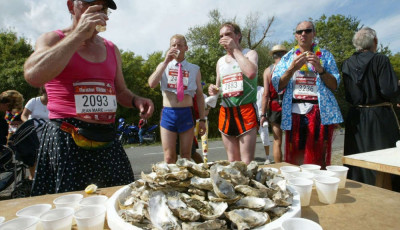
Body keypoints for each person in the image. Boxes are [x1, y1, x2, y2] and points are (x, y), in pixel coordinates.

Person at [23, 0, 154, 195]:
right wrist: (77, 35)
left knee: (120, 200)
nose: (98, 10)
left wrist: (136, 101)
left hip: (107, 139)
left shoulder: (111, 48)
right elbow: (33, 75)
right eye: (89, 3)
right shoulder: (52, 39)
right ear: (71, 6)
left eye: (103, 7)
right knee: (70, 208)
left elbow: (121, 92)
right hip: (67, 138)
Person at [272, 21, 343, 168]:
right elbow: (277, 84)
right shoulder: (287, 58)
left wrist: (320, 69)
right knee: (296, 157)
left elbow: (335, 85)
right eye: (299, 31)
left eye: (307, 30)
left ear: (313, 34)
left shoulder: (325, 56)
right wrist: (291, 69)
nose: (303, 34)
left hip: (319, 113)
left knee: (319, 158)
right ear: (296, 36)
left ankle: (318, 188)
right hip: (295, 113)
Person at [342, 27, 400, 190]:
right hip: (379, 117)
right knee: (384, 157)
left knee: (357, 158)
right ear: (375, 41)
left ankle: (360, 190)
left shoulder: (347, 63)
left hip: (356, 118)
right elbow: (388, 90)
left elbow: (348, 95)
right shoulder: (380, 60)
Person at [148, 34, 206, 164]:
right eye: (173, 45)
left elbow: (200, 96)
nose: (176, 47)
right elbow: (151, 84)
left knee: (186, 156)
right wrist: (165, 62)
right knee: (169, 157)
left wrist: (202, 119)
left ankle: (185, 183)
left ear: (186, 48)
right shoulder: (163, 66)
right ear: (169, 48)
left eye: (179, 45)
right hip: (169, 113)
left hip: (186, 113)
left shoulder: (194, 69)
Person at [208, 22, 259, 164]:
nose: (224, 38)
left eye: (228, 34)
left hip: (246, 109)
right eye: (221, 36)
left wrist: (235, 49)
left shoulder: (249, 53)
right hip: (226, 111)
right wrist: (213, 90)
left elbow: (251, 72)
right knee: (232, 161)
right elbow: (217, 90)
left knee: (246, 162)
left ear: (238, 35)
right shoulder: (220, 61)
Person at [260, 44, 288, 163]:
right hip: (289, 106)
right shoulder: (290, 68)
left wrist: (263, 114)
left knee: (277, 141)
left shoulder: (268, 71)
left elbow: (266, 94)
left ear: (273, 56)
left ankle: (279, 167)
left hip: (275, 107)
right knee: (291, 140)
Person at [256, 86, 270, 162]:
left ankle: (267, 158)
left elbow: (268, 101)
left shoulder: (262, 89)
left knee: (265, 137)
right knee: (249, 139)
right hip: (250, 116)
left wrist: (264, 114)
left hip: (261, 116)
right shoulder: (246, 89)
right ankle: (249, 158)